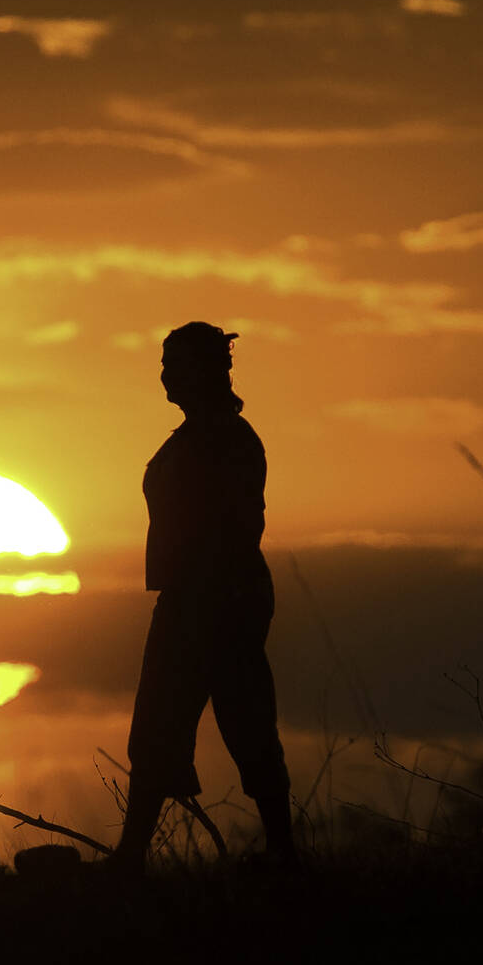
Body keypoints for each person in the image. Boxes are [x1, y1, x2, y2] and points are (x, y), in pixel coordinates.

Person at [111, 322, 296, 872]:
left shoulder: (227, 439)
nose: (166, 374)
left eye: (177, 363)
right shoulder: (197, 436)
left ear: (210, 369)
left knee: (238, 722)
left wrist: (209, 600)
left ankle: (281, 852)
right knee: (166, 726)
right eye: (164, 362)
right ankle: (133, 855)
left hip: (215, 599)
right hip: (194, 597)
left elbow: (238, 526)